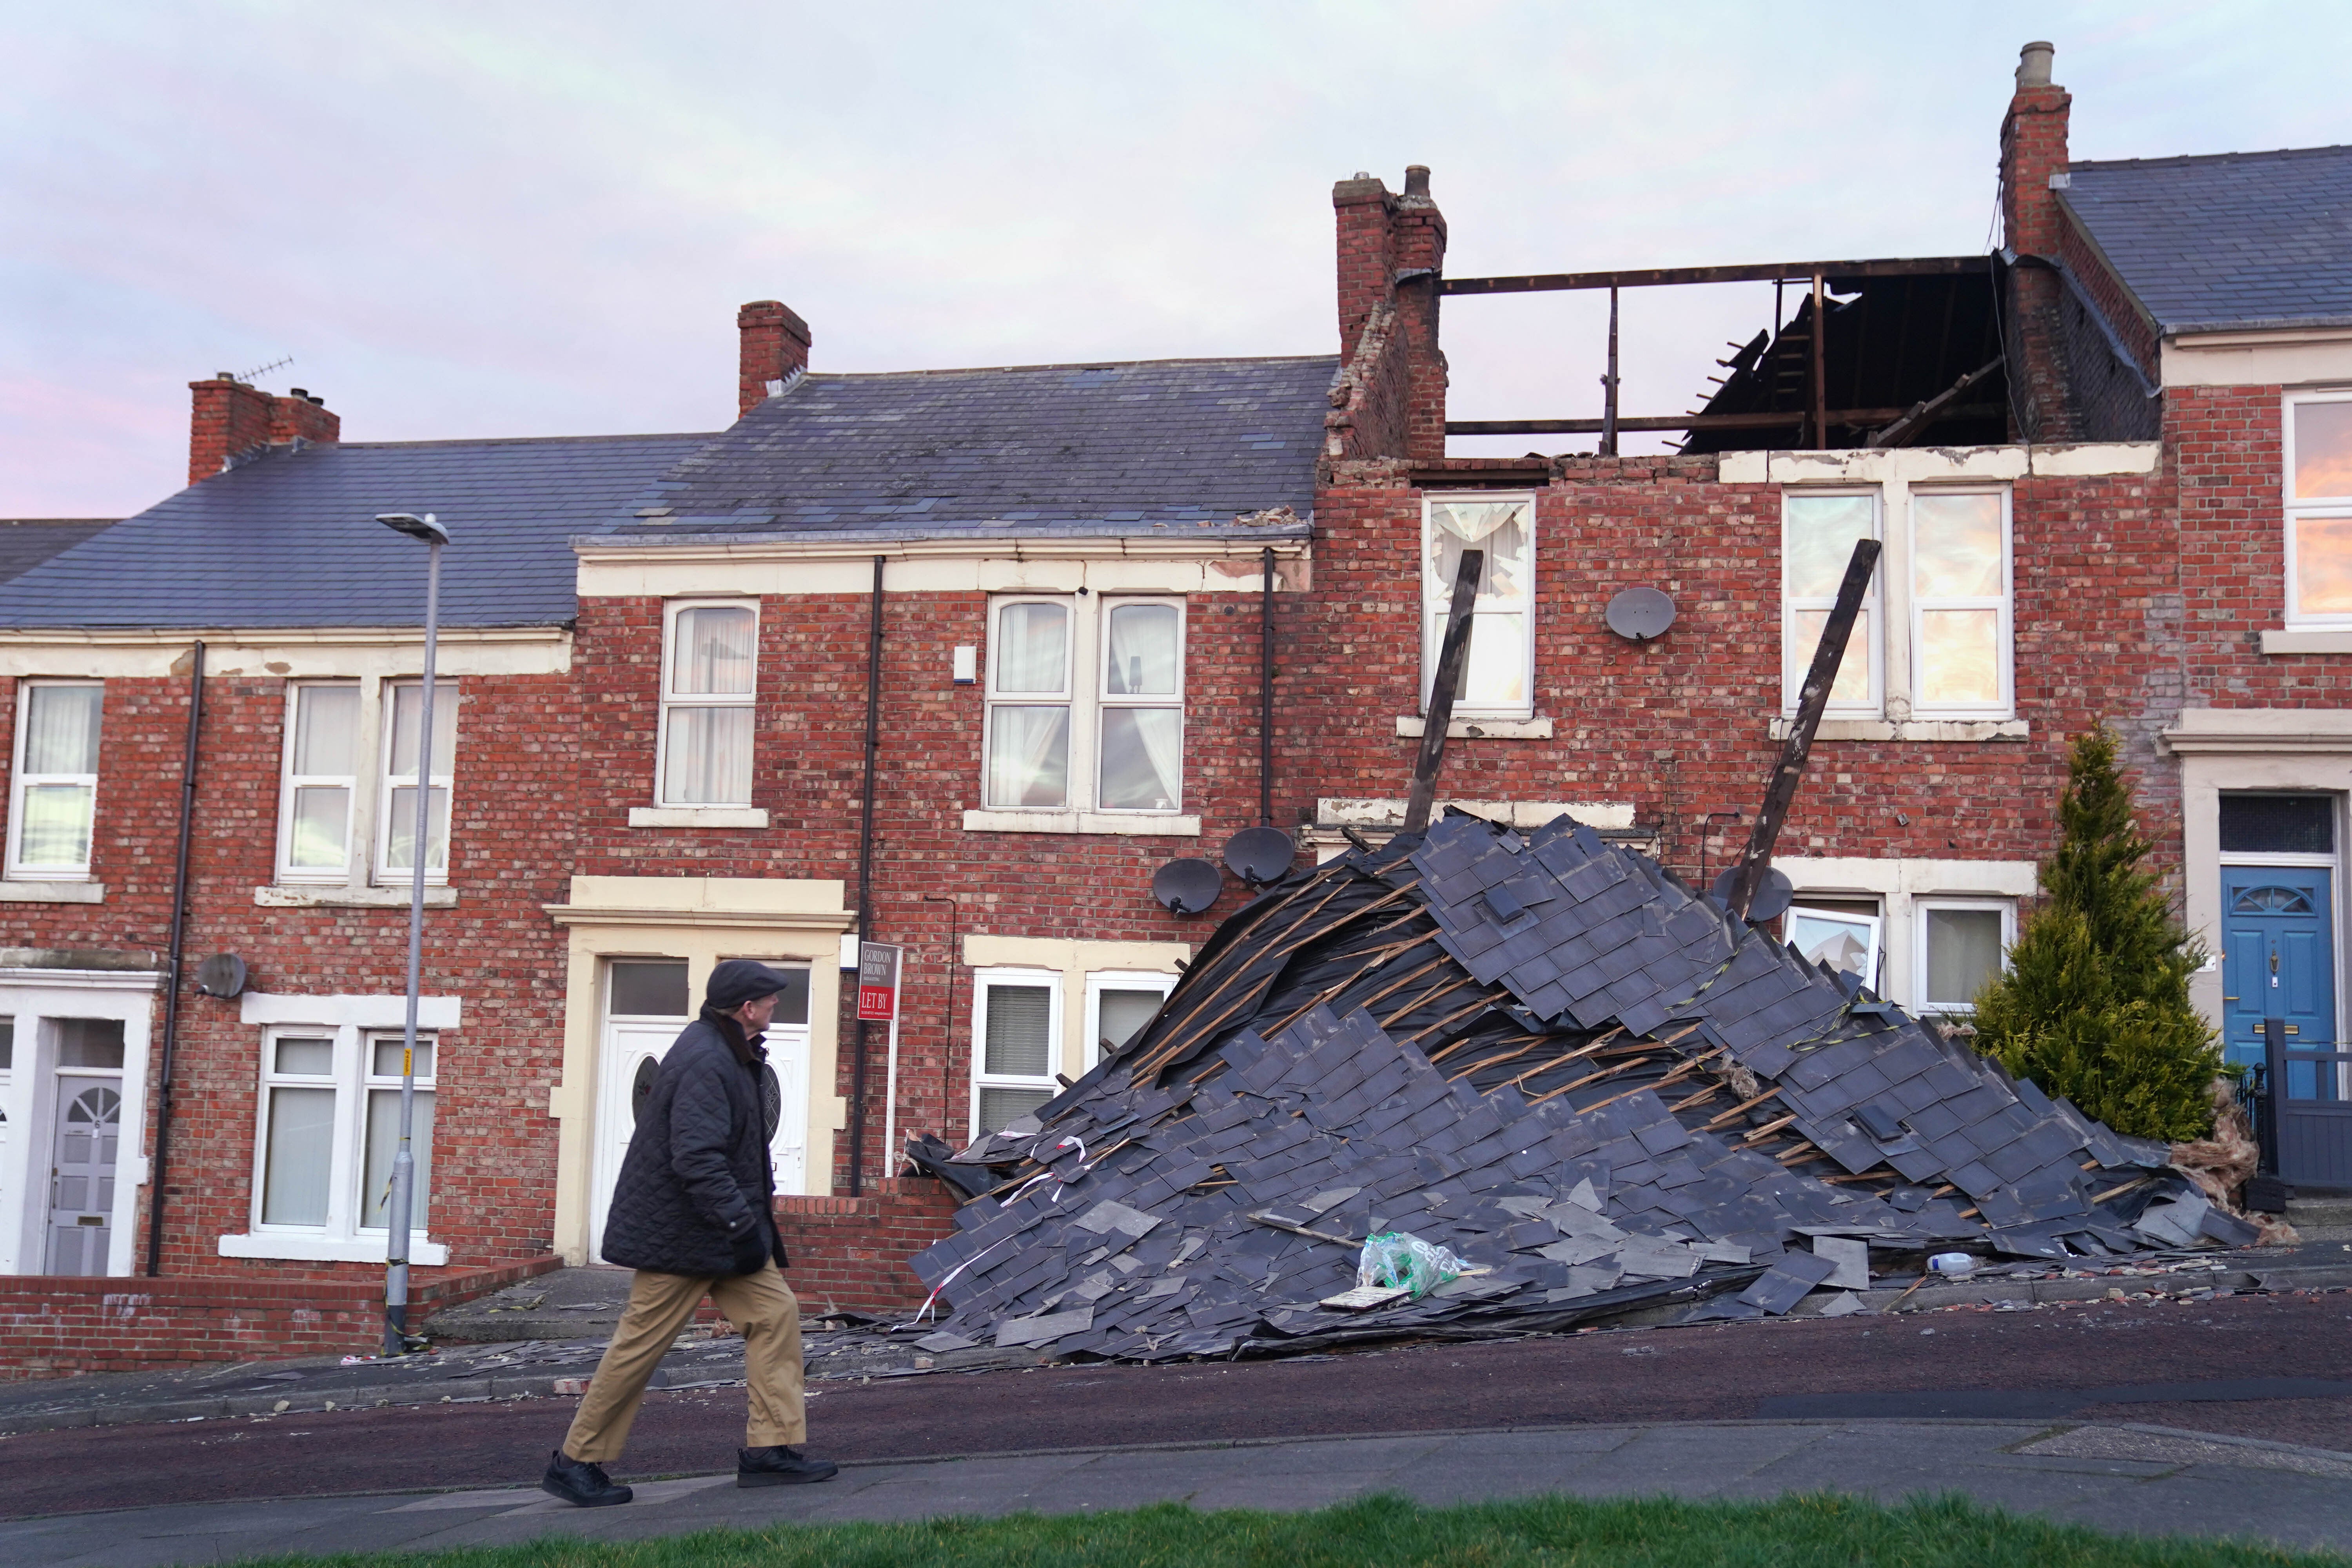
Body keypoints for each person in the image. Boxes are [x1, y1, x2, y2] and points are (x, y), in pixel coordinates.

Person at [541, 960, 838, 1506]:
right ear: (747, 1008)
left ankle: (769, 1451)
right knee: (639, 1348)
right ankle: (575, 1461)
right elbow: (697, 1160)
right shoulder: (707, 1058)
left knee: (776, 1315)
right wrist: (740, 1225)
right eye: (770, 999)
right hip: (682, 1236)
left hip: (720, 1233)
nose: (777, 1005)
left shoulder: (729, 1049)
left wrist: (744, 1228)